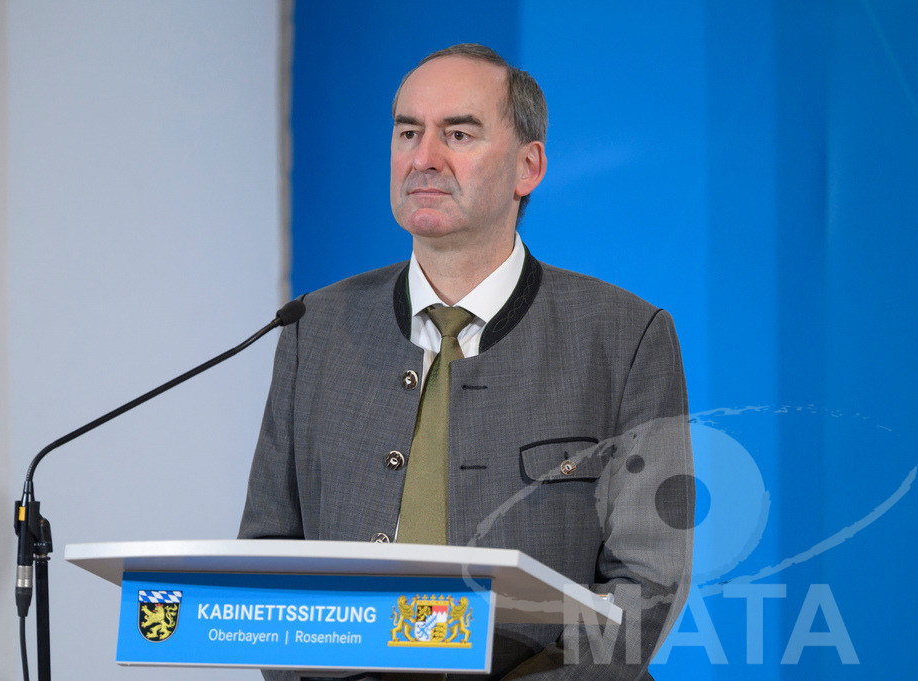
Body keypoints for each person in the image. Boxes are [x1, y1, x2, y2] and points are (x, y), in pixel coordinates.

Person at [240, 43, 693, 680]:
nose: (423, 158)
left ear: (527, 166)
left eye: (458, 133)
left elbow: (647, 582)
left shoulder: (625, 337)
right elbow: (266, 558)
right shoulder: (312, 328)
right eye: (408, 132)